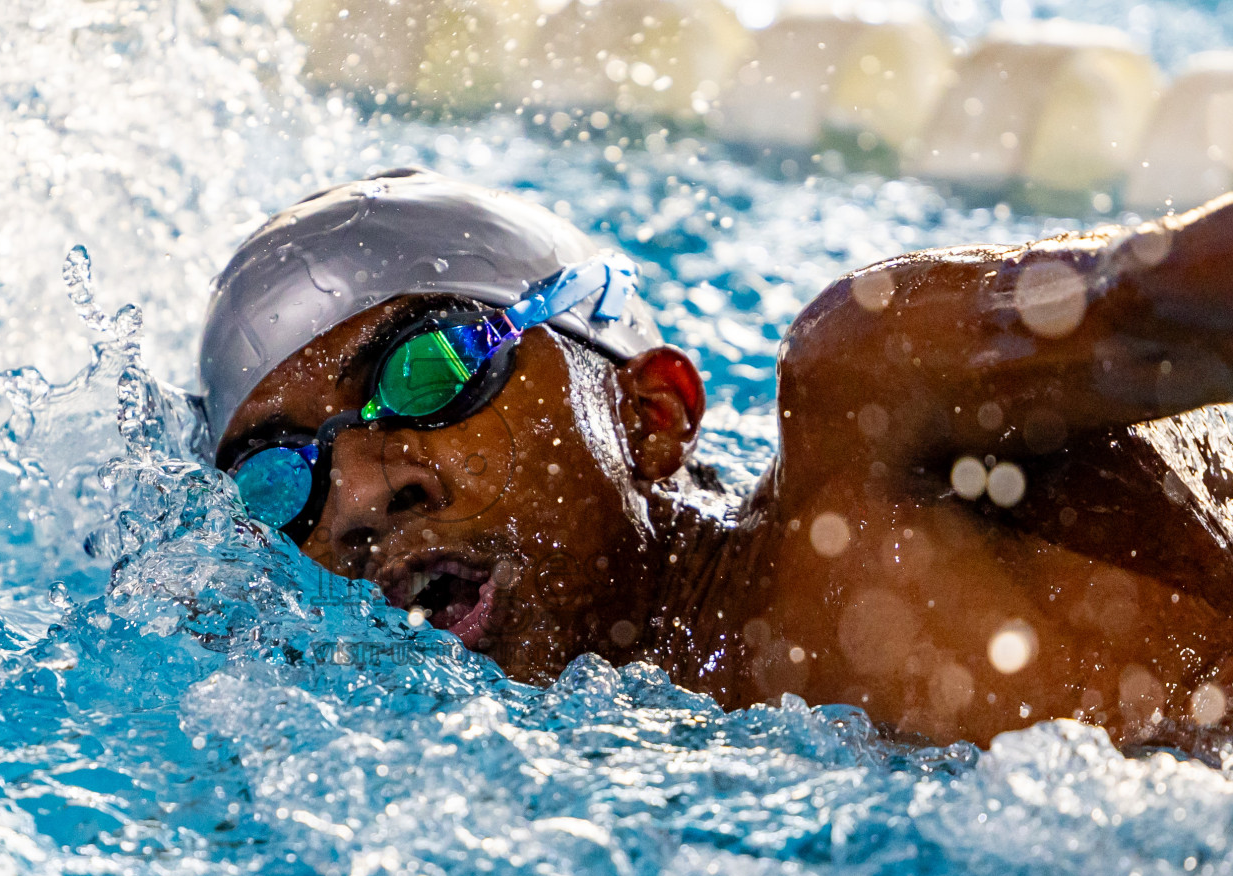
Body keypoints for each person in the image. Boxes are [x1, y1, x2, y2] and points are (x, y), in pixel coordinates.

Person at [198, 168, 1233, 751]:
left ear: (652, 414)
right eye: (283, 476)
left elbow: (1171, 299)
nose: (362, 496)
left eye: (426, 372)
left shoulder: (872, 404)